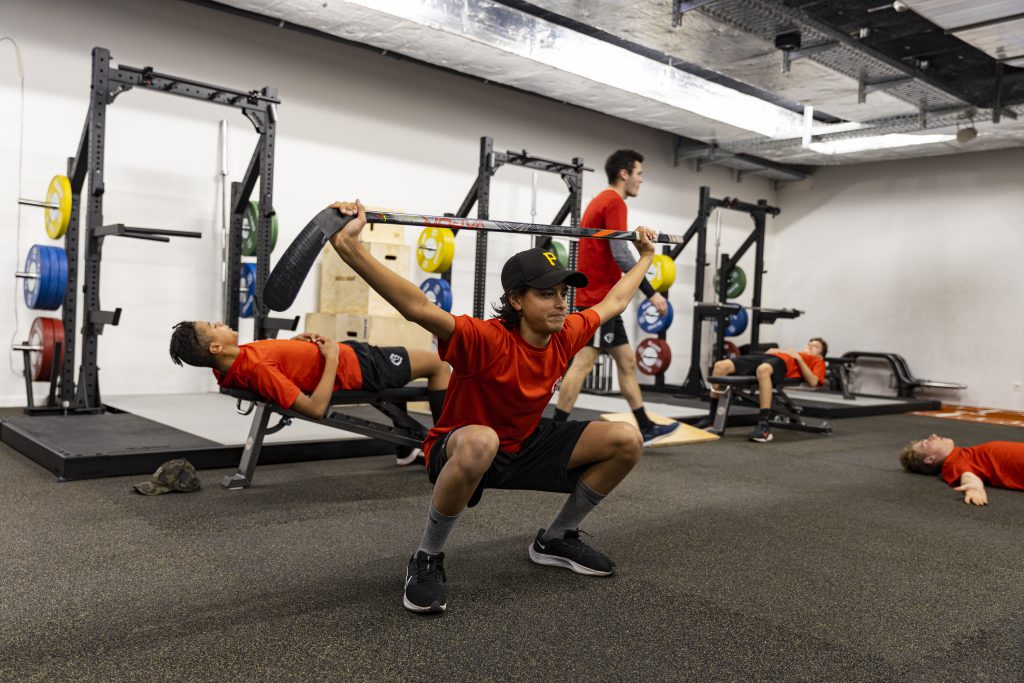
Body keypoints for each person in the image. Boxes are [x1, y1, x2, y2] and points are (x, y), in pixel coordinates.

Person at [327, 199, 656, 615]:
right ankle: (427, 557)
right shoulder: (485, 339)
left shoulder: (564, 334)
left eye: (562, 293)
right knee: (483, 440)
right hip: (461, 448)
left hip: (523, 445)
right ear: (516, 300)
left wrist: (645, 258)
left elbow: (614, 302)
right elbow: (416, 307)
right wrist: (349, 247)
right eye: (546, 294)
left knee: (627, 439)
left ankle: (556, 538)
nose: (561, 303)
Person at [168, 321, 450, 463]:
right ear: (215, 348)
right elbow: (315, 409)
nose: (219, 323)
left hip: (350, 356)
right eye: (213, 326)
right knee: (439, 365)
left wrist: (296, 346)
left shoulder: (228, 366)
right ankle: (444, 451)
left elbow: (276, 366)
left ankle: (406, 446)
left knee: (408, 374)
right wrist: (332, 358)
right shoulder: (256, 369)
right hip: (358, 367)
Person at [552, 149, 679, 446]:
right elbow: (621, 253)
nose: (641, 180)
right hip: (599, 301)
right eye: (639, 174)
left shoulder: (603, 200)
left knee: (626, 362)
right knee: (583, 363)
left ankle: (645, 425)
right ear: (624, 174)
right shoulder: (614, 202)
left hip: (604, 300)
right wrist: (651, 293)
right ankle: (554, 429)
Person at [696, 337, 829, 443]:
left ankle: (764, 425)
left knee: (763, 370)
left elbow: (813, 382)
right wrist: (779, 351)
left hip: (782, 364)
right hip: (769, 357)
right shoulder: (793, 353)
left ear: (821, 355)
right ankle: (712, 417)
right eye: (809, 343)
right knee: (720, 366)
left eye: (815, 346)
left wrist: (798, 358)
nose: (810, 346)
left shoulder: (818, 361)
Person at [899, 434, 1024, 506]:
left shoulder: (963, 454)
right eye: (926, 443)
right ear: (930, 459)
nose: (933, 436)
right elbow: (967, 476)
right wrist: (974, 487)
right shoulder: (953, 463)